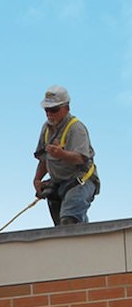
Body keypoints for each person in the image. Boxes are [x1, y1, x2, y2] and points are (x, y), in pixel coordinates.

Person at [33, 86, 99, 226]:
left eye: (54, 109)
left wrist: (61, 154)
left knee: (69, 220)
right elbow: (44, 159)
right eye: (46, 110)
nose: (49, 113)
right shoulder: (46, 129)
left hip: (79, 181)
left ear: (66, 108)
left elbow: (80, 158)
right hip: (59, 182)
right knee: (61, 229)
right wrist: (37, 179)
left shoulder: (76, 128)